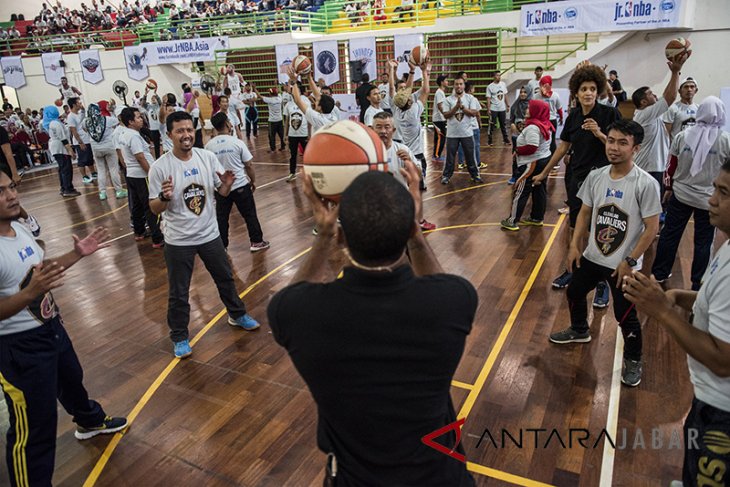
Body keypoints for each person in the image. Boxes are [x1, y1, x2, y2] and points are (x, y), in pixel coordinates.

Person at [267, 161, 477, 487]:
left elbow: (289, 297)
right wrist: (417, 236)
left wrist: (322, 235)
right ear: (409, 228)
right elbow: (439, 283)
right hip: (440, 477)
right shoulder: (455, 300)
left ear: (341, 237)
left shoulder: (296, 312)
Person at [0, 168, 127, 487]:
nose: (12, 195)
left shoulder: (18, 228)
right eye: (1, 192)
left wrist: (77, 254)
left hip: (50, 327)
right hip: (18, 349)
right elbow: (30, 288)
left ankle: (90, 422)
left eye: (11, 187)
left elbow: (39, 272)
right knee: (35, 429)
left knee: (71, 380)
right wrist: (30, 294)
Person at [623, 160, 730, 487]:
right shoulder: (727, 246)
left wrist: (662, 311)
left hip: (721, 412)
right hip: (709, 401)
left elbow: (723, 360)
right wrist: (680, 297)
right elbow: (715, 303)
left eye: (723, 193)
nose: (711, 199)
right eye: (715, 188)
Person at [548, 119, 661, 387]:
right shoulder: (596, 176)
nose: (614, 147)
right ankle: (579, 329)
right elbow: (585, 212)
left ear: (636, 148)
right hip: (592, 256)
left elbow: (651, 228)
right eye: (611, 140)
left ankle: (634, 359)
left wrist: (630, 261)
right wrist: (575, 246)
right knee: (574, 291)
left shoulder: (645, 184)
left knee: (625, 315)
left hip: (623, 264)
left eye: (623, 142)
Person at [148, 111, 262, 358]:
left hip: (209, 235)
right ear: (169, 135)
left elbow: (220, 192)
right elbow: (154, 208)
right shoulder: (159, 168)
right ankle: (179, 336)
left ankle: (237, 314)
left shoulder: (207, 157)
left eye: (189, 129)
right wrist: (163, 198)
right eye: (180, 131)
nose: (186, 135)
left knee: (225, 278)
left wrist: (227, 185)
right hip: (178, 240)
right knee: (179, 292)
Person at [532, 62, 621, 308]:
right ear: (577, 92)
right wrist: (544, 174)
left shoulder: (609, 115)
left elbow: (619, 146)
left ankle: (602, 283)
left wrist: (600, 134)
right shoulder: (573, 117)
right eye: (584, 89)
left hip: (604, 180)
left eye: (593, 88)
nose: (589, 93)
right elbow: (563, 148)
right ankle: (574, 269)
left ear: (599, 90)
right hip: (578, 179)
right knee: (575, 228)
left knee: (600, 232)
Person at [652, 97, 730, 291]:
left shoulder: (683, 135)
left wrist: (668, 188)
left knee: (670, 234)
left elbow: (671, 165)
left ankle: (659, 273)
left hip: (681, 194)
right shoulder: (726, 140)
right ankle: (698, 283)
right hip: (709, 200)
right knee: (704, 241)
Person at [205, 112, 270, 252]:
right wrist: (253, 181)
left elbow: (209, 170)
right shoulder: (237, 142)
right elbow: (249, 165)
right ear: (228, 124)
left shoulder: (209, 146)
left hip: (221, 189)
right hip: (240, 185)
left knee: (222, 218)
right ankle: (257, 241)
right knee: (249, 215)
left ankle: (222, 246)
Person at [631, 50, 689, 193]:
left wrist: (676, 74)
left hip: (653, 167)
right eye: (651, 93)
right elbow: (670, 97)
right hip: (649, 169)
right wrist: (675, 72)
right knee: (649, 207)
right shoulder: (645, 114)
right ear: (644, 102)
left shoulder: (648, 112)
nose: (655, 94)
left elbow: (666, 95)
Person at [373, 111, 436, 230]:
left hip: (399, 204)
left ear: (394, 130)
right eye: (379, 127)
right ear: (372, 130)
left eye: (387, 127)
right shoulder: (366, 152)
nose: (383, 131)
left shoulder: (402, 150)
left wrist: (410, 163)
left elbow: (419, 176)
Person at [500, 99, 553, 231]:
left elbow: (531, 147)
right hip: (542, 160)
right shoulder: (545, 123)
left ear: (537, 111)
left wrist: (517, 150)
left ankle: (512, 220)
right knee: (539, 189)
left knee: (521, 189)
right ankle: (537, 218)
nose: (527, 110)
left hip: (532, 163)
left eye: (530, 108)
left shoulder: (533, 128)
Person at [118, 107, 164, 248]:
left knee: (137, 205)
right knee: (150, 205)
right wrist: (151, 173)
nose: (141, 119)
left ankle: (139, 231)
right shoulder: (133, 136)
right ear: (130, 121)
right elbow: (140, 157)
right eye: (138, 117)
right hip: (141, 175)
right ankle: (157, 238)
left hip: (132, 175)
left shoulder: (124, 134)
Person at [389, 58, 431, 192]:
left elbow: (392, 88)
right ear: (409, 101)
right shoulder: (413, 111)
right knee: (419, 186)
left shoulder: (395, 107)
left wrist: (391, 70)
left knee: (405, 183)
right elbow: (425, 91)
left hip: (403, 151)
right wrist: (422, 71)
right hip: (416, 153)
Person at [440, 77, 482, 185]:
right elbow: (446, 115)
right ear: (454, 86)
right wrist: (456, 107)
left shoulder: (470, 98)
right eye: (456, 84)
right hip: (452, 134)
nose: (459, 86)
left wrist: (462, 107)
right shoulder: (448, 99)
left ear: (464, 86)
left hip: (467, 133)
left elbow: (473, 113)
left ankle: (475, 175)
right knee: (450, 157)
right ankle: (446, 176)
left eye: (461, 84)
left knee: (470, 156)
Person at [85, 101, 126, 200]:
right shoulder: (107, 119)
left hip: (95, 148)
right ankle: (118, 190)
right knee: (113, 169)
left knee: (100, 170)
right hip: (109, 146)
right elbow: (117, 121)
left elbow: (84, 129)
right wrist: (111, 111)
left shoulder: (85, 122)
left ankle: (102, 192)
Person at [44, 105, 80, 197]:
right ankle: (68, 188)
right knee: (66, 169)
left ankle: (64, 187)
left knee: (62, 168)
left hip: (57, 147)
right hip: (60, 148)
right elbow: (62, 138)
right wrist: (70, 150)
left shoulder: (52, 123)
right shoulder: (55, 123)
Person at [288, 68, 338, 133]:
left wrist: (294, 82)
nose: (315, 101)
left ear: (320, 107)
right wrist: (309, 78)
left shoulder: (317, 118)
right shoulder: (333, 116)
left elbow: (298, 101)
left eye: (317, 101)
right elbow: (317, 95)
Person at [66, 97, 98, 184]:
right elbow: (73, 130)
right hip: (80, 141)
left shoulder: (79, 114)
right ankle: (84, 176)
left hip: (87, 139)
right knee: (83, 160)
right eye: (78, 103)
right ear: (73, 105)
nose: (80, 104)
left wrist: (81, 106)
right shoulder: (71, 116)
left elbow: (83, 111)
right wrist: (80, 142)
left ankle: (93, 173)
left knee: (89, 158)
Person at [283, 84, 309, 182]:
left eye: (293, 87)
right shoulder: (288, 104)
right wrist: (285, 135)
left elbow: (309, 117)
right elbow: (286, 120)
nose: (290, 88)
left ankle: (309, 173)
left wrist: (310, 133)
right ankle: (292, 173)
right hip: (292, 134)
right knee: (292, 155)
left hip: (304, 133)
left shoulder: (305, 101)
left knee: (307, 155)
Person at [662, 77, 699, 142]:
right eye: (686, 87)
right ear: (679, 91)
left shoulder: (699, 109)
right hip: (677, 150)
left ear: (696, 90)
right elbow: (666, 133)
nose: (689, 90)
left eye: (692, 87)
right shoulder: (673, 109)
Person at [534, 75, 563, 154]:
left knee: (541, 140)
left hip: (541, 121)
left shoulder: (536, 96)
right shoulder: (555, 95)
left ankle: (541, 159)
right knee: (552, 140)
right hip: (552, 121)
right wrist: (561, 118)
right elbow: (559, 109)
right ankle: (554, 161)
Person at [486, 71, 510, 146]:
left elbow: (505, 95)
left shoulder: (503, 84)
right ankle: (490, 140)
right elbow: (488, 99)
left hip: (502, 109)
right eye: (497, 75)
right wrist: (488, 109)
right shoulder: (490, 86)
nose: (499, 77)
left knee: (503, 125)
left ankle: (505, 139)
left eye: (500, 75)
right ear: (494, 77)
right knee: (492, 125)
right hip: (493, 109)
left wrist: (507, 105)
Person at [258, 85, 285, 152]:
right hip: (280, 119)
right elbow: (278, 91)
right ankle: (283, 146)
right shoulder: (279, 98)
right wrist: (276, 85)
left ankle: (273, 149)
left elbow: (260, 96)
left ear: (271, 94)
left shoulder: (270, 100)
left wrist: (255, 89)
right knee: (281, 135)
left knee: (271, 136)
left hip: (272, 121)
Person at [431, 74, 448, 163]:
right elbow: (440, 106)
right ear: (442, 82)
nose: (447, 82)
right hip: (438, 119)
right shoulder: (439, 92)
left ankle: (437, 154)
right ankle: (436, 155)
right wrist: (446, 115)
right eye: (446, 80)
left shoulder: (441, 92)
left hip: (441, 119)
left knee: (442, 138)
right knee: (439, 138)